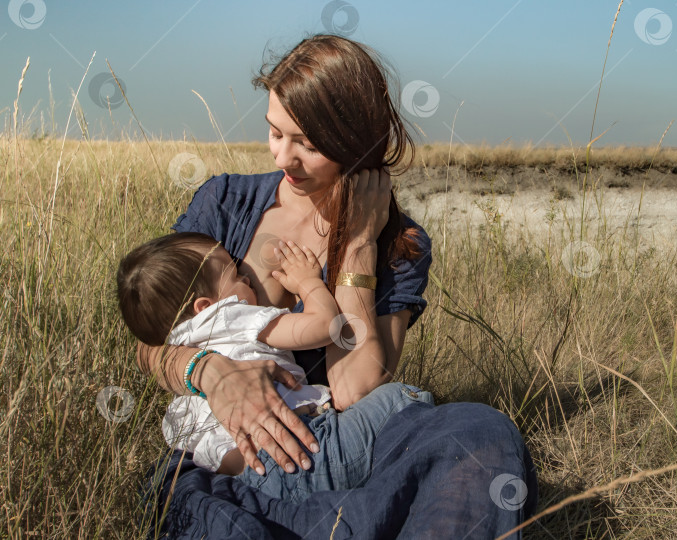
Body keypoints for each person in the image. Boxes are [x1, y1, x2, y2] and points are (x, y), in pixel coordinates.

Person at [139, 34, 537, 538]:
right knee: (217, 515)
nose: (284, 158)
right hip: (231, 467)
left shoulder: (400, 242)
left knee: (482, 432)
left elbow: (352, 387)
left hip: (337, 450)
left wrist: (358, 245)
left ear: (355, 141)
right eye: (274, 132)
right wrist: (212, 374)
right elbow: (152, 345)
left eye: (307, 143)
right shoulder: (224, 202)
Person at [118, 232, 433, 499]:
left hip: (242, 484)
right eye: (235, 276)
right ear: (206, 307)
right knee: (405, 398)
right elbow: (325, 325)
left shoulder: (177, 353)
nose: (246, 278)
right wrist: (308, 283)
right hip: (303, 451)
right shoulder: (230, 316)